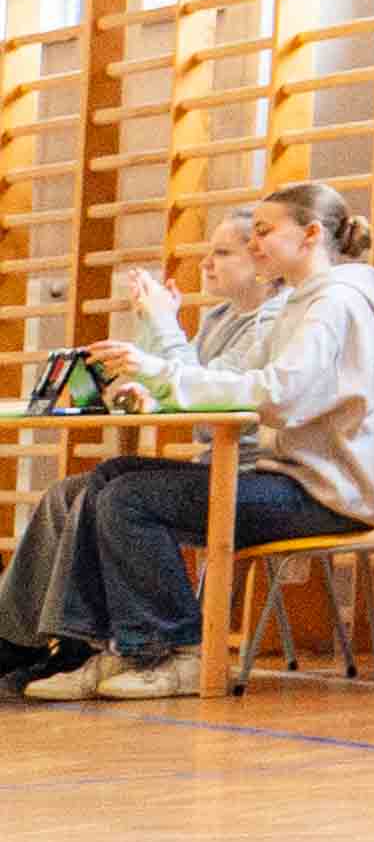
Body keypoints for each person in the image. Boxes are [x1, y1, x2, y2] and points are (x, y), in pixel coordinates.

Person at [12, 182, 374, 705]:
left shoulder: (334, 304)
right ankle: (105, 647)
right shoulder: (305, 302)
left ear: (311, 235)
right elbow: (239, 382)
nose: (256, 244)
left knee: (128, 499)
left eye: (264, 232)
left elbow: (278, 395)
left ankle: (175, 652)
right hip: (292, 478)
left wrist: (162, 371)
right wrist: (157, 376)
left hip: (325, 495)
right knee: (112, 477)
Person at [10, 207, 275, 693]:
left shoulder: (270, 323)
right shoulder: (220, 319)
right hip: (215, 465)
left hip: (252, 471)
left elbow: (203, 393)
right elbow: (172, 381)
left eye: (221, 253)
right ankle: (30, 640)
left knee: (121, 496)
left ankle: (143, 645)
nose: (206, 264)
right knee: (70, 493)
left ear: (258, 261)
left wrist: (164, 324)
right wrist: (150, 337)